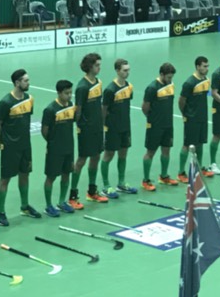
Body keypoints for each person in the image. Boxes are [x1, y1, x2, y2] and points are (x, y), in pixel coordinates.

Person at [0, 69, 41, 228]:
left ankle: (25, 206)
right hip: (10, 147)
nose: (28, 83)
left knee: (25, 174)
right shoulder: (5, 102)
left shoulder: (29, 99)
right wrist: (2, 142)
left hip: (25, 145)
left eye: (28, 80)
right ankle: (1, 213)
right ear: (17, 83)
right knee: (5, 178)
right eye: (25, 80)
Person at [69, 54, 106, 206]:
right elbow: (78, 110)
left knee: (96, 156)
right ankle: (73, 195)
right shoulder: (82, 87)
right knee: (81, 160)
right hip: (86, 129)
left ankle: (92, 191)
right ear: (90, 67)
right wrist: (80, 126)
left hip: (98, 127)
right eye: (97, 65)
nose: (99, 67)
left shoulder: (98, 82)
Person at [100, 58, 139, 198]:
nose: (127, 73)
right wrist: (103, 126)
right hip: (112, 128)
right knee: (109, 155)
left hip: (125, 126)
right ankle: (106, 186)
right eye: (124, 70)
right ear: (117, 71)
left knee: (123, 153)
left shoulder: (129, 87)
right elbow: (104, 109)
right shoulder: (110, 90)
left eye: (128, 70)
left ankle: (121, 183)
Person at [41, 80, 78, 215]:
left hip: (69, 147)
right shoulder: (50, 110)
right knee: (51, 177)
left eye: (70, 92)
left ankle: (62, 202)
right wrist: (53, 142)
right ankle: (48, 205)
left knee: (66, 174)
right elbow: (44, 130)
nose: (69, 95)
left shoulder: (71, 106)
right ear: (59, 93)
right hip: (55, 149)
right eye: (66, 93)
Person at [141, 62, 178, 190]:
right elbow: (145, 107)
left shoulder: (170, 85)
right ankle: (146, 180)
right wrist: (153, 119)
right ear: (161, 74)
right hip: (155, 125)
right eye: (168, 77)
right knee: (150, 152)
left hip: (168, 124)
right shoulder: (152, 88)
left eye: (171, 77)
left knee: (166, 150)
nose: (170, 79)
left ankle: (164, 176)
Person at [178, 56, 214, 179]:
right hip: (191, 119)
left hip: (202, 117)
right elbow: (181, 101)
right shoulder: (189, 83)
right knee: (187, 145)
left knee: (200, 143)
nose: (207, 68)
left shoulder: (206, 80)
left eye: (208, 66)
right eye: (204, 66)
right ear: (198, 66)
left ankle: (198, 168)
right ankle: (181, 172)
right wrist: (185, 114)